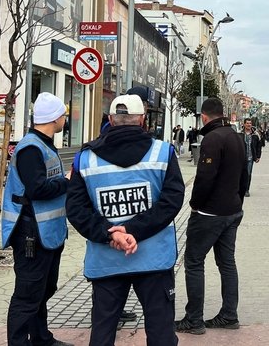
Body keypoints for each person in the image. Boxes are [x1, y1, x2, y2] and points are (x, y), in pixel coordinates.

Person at [66, 94, 185, 346]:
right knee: (161, 332)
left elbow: (76, 209)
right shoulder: (162, 153)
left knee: (103, 332)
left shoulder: (85, 158)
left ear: (110, 119)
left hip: (107, 261)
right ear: (142, 120)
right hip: (154, 260)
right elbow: (172, 201)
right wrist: (134, 230)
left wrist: (112, 234)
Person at [1, 92, 73, 346]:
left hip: (45, 230)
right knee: (28, 293)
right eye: (63, 115)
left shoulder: (42, 144)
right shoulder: (32, 148)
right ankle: (20, 342)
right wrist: (66, 182)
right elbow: (37, 189)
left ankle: (41, 337)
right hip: (31, 231)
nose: (65, 118)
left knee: (43, 289)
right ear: (55, 118)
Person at [176, 98, 247, 335]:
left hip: (210, 213)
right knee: (227, 263)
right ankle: (229, 315)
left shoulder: (212, 139)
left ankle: (194, 320)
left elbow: (205, 178)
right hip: (233, 210)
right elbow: (244, 174)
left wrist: (195, 205)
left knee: (194, 262)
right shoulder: (236, 136)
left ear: (204, 116)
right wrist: (237, 200)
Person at [239, 118, 262, 198]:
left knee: (248, 174)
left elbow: (259, 146)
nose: (249, 125)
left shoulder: (255, 135)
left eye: (250, 123)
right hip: (241, 158)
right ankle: (240, 189)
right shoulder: (239, 134)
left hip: (250, 158)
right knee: (240, 174)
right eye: (247, 123)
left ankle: (246, 190)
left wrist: (258, 156)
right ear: (244, 124)